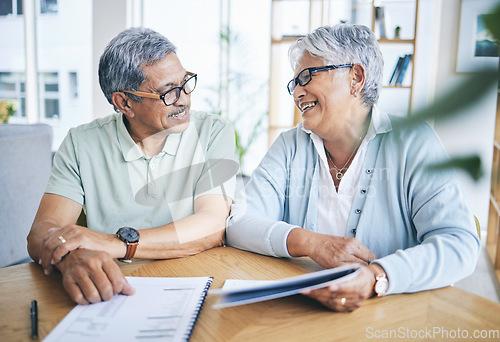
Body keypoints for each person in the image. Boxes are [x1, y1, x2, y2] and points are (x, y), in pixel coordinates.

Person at [226, 24, 479, 312]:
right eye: (294, 83)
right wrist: (311, 242)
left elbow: (459, 244)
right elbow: (238, 223)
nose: (296, 92)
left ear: (355, 78)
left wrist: (377, 277)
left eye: (307, 76)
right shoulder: (290, 145)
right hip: (302, 312)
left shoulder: (413, 141)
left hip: (391, 317)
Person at [27, 27, 237, 305]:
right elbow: (42, 231)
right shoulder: (81, 142)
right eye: (168, 92)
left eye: (185, 82)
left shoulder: (213, 131)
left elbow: (212, 225)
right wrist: (72, 256)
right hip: (113, 289)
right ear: (124, 102)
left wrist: (116, 243)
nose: (184, 98)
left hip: (197, 281)